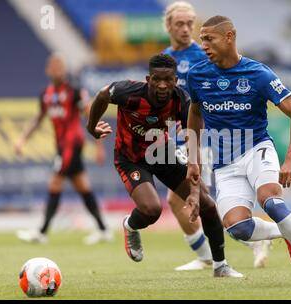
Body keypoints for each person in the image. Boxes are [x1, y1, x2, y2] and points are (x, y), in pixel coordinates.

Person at [186, 16, 291, 286]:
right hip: (224, 163)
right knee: (238, 229)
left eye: (209, 38)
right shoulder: (197, 75)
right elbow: (194, 115)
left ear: (229, 37)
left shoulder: (259, 73)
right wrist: (193, 161)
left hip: (257, 149)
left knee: (271, 200)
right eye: (201, 39)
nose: (203, 44)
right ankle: (286, 232)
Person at [86, 53, 243, 278]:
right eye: (157, 79)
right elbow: (102, 95)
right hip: (130, 159)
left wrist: (195, 188)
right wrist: (91, 128)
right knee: (152, 210)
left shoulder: (181, 100)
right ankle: (130, 225)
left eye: (168, 80)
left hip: (162, 154)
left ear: (175, 80)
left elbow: (192, 137)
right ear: (148, 79)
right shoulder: (128, 93)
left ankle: (220, 266)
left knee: (207, 205)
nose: (162, 85)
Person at [162, 1, 270, 270]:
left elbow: (225, 90)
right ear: (168, 26)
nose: (186, 29)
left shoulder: (204, 55)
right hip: (179, 135)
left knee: (190, 197)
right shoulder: (165, 57)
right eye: (180, 24)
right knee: (181, 198)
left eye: (190, 23)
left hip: (206, 136)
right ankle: (215, 252)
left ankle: (237, 244)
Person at [15, 53, 113, 245]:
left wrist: (99, 146)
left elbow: (90, 116)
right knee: (83, 187)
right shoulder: (46, 94)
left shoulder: (75, 91)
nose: (56, 69)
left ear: (65, 69)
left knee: (55, 183)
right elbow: (39, 118)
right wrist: (22, 139)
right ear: (47, 70)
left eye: (59, 66)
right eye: (53, 66)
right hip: (61, 146)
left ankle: (41, 232)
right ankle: (103, 229)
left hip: (72, 145)